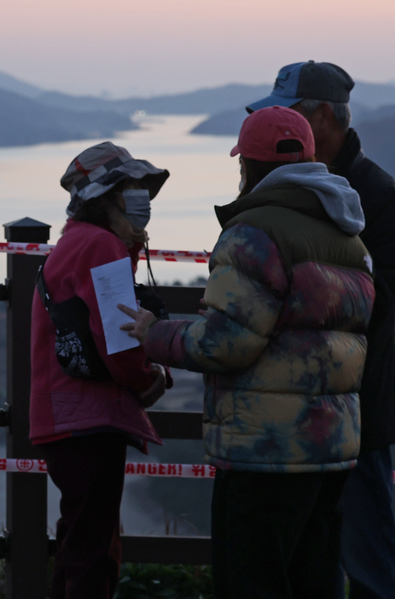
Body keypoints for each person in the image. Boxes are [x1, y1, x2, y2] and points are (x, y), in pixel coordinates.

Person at [119, 107, 374, 599]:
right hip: (331, 447)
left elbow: (226, 343)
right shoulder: (348, 233)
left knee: (251, 582)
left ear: (249, 166)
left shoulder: (253, 233)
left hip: (265, 450)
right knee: (314, 582)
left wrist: (154, 334)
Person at [247, 60, 395, 599]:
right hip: (286, 405)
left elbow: (374, 305)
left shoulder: (380, 195)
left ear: (323, 116)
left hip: (356, 404)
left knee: (368, 555)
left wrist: (284, 294)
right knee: (303, 558)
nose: (279, 124)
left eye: (287, 112)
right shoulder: (274, 188)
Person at [32, 142, 172, 599]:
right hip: (90, 419)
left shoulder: (78, 242)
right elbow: (119, 337)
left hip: (66, 416)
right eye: (129, 188)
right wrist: (147, 379)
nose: (140, 198)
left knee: (79, 540)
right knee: (95, 551)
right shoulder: (101, 245)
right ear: (103, 196)